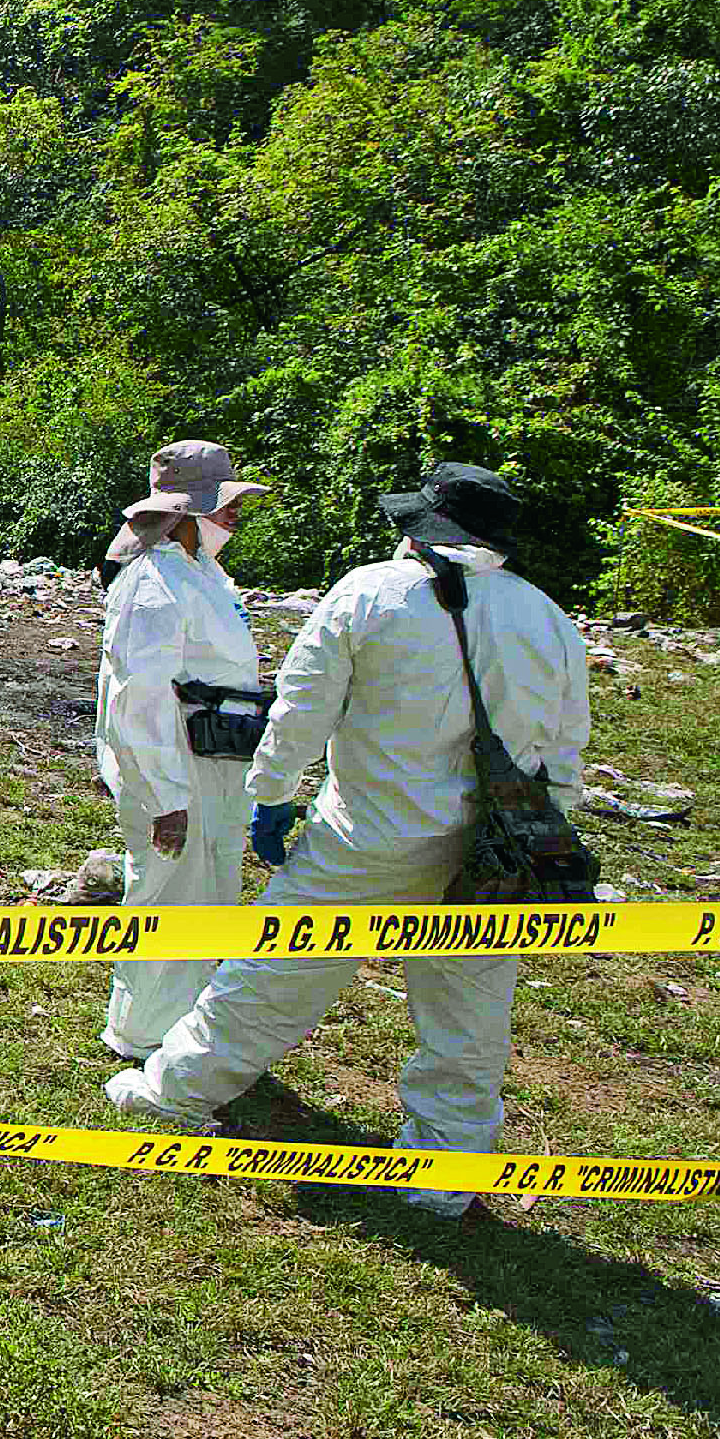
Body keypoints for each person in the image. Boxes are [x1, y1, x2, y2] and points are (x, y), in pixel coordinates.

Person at [107, 463, 592, 1218]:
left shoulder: (371, 593)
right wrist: (535, 841)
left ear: (420, 528)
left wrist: (269, 795)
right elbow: (562, 754)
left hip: (365, 835)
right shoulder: (549, 621)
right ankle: (446, 1169)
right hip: (486, 857)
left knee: (273, 979)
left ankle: (174, 1093)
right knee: (468, 1012)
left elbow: (301, 711)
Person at [93, 440, 270, 1063]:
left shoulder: (202, 576)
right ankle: (140, 1034)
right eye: (223, 506)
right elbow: (137, 700)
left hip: (215, 762)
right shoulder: (155, 585)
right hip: (177, 769)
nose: (234, 518)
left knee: (210, 896)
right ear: (186, 512)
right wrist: (167, 797)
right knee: (169, 895)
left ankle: (183, 1030)